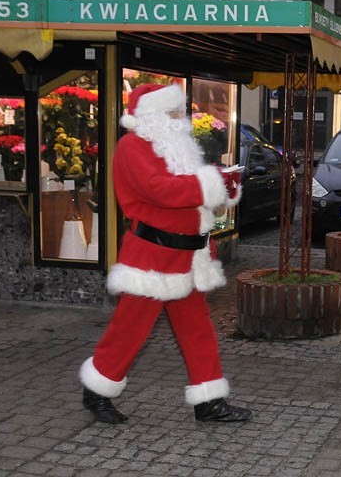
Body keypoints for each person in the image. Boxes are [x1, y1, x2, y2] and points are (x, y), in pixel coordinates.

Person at [78, 83, 252, 424]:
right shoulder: (132, 147)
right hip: (153, 258)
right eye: (171, 112)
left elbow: (192, 193)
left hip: (186, 257)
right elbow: (160, 191)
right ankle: (97, 390)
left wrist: (223, 185)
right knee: (130, 329)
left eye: (178, 111)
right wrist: (210, 182)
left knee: (198, 330)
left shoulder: (175, 147)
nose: (178, 118)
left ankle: (209, 402)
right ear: (150, 115)